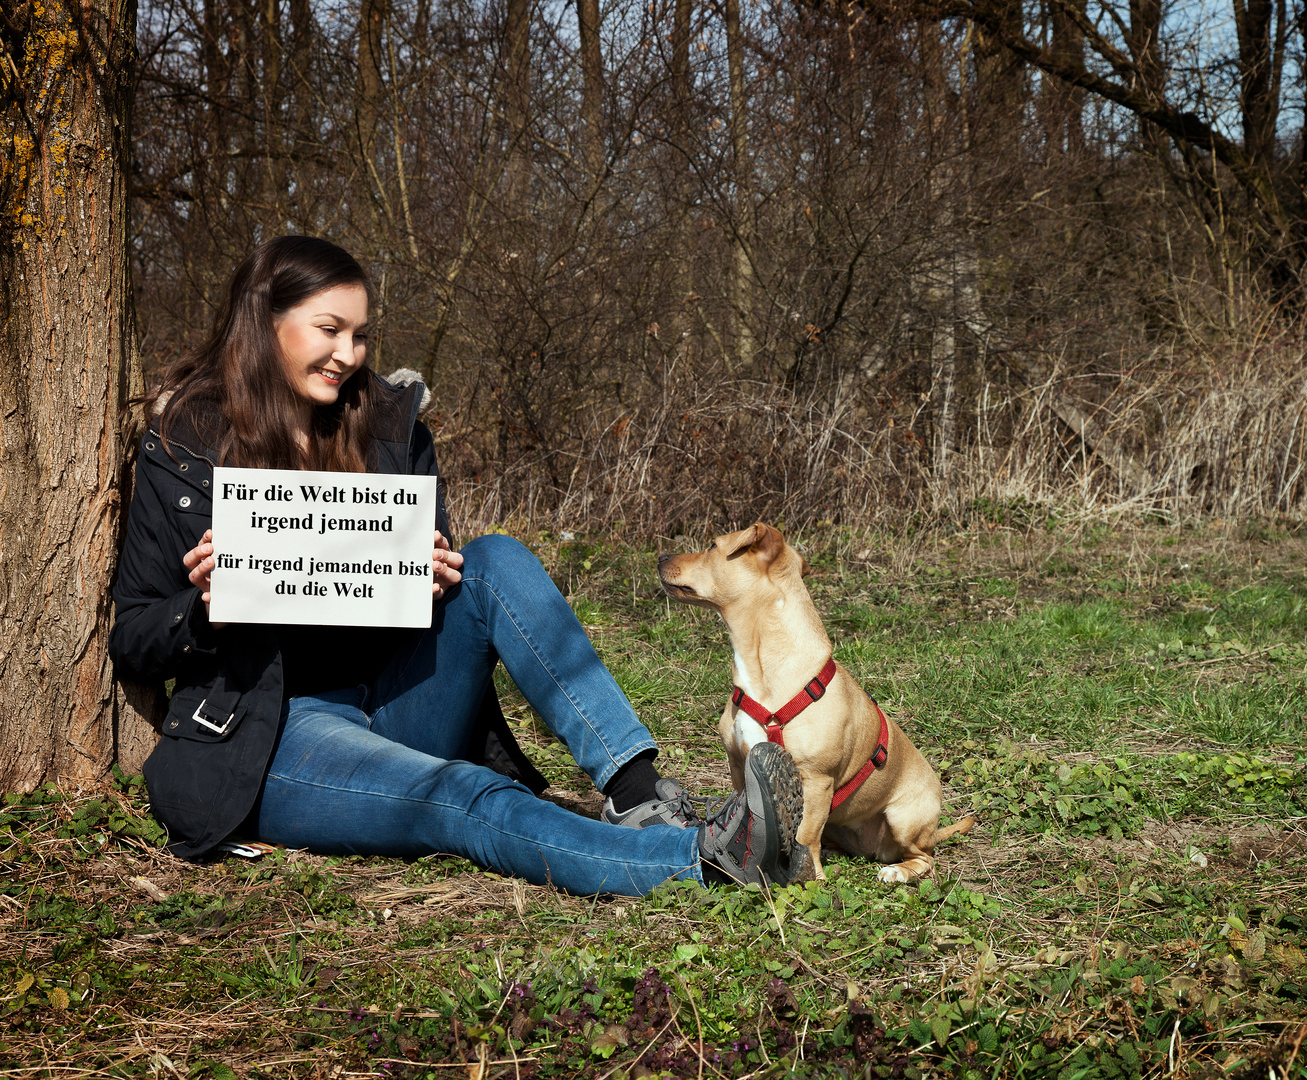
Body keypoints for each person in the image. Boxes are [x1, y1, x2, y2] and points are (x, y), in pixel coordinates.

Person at [110, 235, 807, 894]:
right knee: (464, 795)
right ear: (265, 320)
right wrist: (203, 608)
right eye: (329, 330)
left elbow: (426, 569)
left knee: (495, 559)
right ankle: (701, 861)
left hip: (396, 695)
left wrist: (435, 576)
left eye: (360, 335)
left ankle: (640, 794)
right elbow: (136, 637)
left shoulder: (384, 421)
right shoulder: (184, 447)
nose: (348, 354)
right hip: (273, 736)